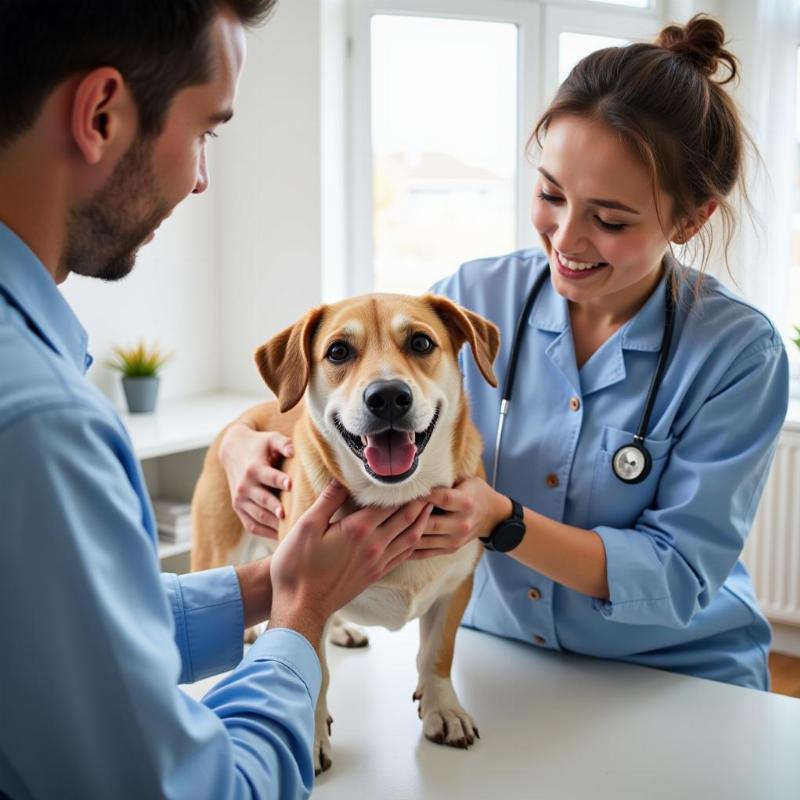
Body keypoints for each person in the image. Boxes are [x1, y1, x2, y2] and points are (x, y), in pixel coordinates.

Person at [221, 15, 789, 691]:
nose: (566, 240)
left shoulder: (737, 355)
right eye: (550, 194)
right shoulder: (471, 296)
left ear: (691, 219)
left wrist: (503, 521)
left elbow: (678, 574)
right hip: (498, 658)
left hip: (674, 673)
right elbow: (342, 394)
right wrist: (236, 444)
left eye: (609, 220)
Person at [0, 2, 432, 798]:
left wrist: (268, 587)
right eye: (207, 132)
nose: (201, 179)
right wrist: (299, 626)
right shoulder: (42, 423)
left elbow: (50, 629)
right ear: (100, 115)